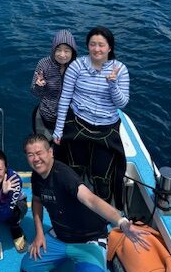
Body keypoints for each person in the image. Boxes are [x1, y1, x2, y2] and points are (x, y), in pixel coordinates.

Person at [21, 134, 149, 272]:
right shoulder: (36, 176)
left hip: (88, 239)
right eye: (30, 155)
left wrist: (121, 222)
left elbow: (91, 200)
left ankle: (87, 268)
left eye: (39, 153)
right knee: (29, 268)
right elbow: (36, 201)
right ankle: (69, 257)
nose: (36, 159)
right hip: (60, 236)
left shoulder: (64, 176)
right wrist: (39, 234)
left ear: (50, 152)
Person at [52, 26, 129, 202]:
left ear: (110, 47)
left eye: (101, 45)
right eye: (93, 44)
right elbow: (65, 98)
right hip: (78, 123)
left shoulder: (120, 69)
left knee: (102, 176)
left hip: (106, 128)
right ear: (87, 46)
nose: (97, 49)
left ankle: (101, 210)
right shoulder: (77, 66)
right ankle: (72, 203)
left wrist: (113, 84)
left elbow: (122, 104)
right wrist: (58, 129)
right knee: (74, 168)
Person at [31, 29, 77, 140]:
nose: (62, 55)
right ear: (53, 50)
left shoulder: (76, 66)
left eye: (66, 51)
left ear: (73, 52)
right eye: (58, 50)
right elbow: (34, 92)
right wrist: (39, 86)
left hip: (69, 118)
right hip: (47, 115)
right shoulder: (44, 64)